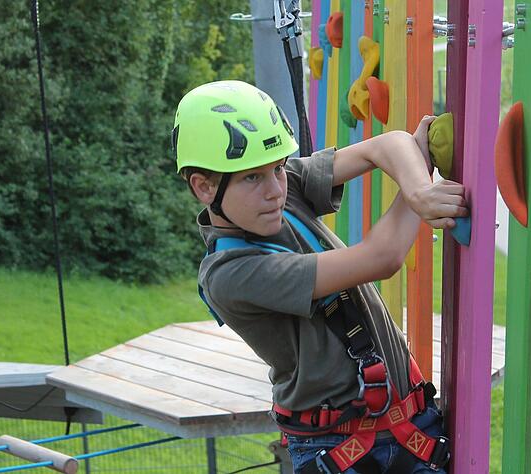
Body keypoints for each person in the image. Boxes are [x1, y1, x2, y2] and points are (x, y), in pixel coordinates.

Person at [173, 80, 467, 473]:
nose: (275, 189)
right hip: (339, 450)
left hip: (412, 427)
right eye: (252, 178)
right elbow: (382, 257)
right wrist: (421, 187)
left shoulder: (282, 189)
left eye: (277, 168)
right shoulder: (230, 274)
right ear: (205, 187)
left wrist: (417, 188)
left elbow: (387, 145)